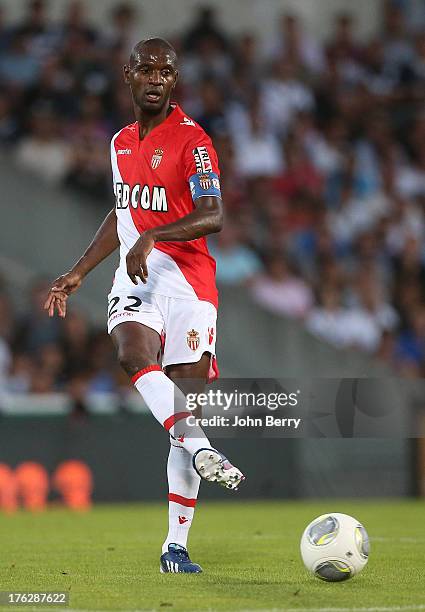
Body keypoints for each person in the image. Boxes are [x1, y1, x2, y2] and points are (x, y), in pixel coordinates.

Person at [44, 37, 244, 574]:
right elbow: (121, 212)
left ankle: (174, 547)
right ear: (128, 75)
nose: (156, 77)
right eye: (146, 69)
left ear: (174, 81)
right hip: (137, 277)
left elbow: (213, 213)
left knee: (182, 403)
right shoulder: (118, 143)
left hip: (190, 285)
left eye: (166, 70)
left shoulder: (194, 141)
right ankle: (202, 448)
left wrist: (154, 235)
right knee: (133, 354)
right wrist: (78, 272)